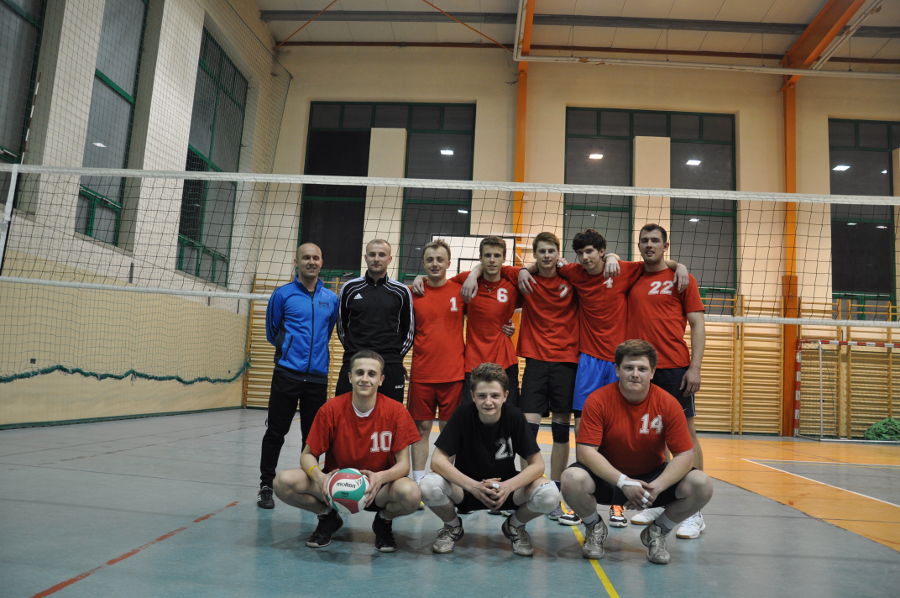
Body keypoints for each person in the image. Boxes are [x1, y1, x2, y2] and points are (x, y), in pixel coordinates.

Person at [518, 229, 686, 527]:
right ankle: (580, 501)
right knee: (585, 434)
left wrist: (679, 266)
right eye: (582, 253)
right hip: (587, 362)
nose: (586, 257)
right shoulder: (574, 272)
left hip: (616, 362)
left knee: (618, 433)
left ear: (602, 251)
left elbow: (655, 262)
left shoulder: (622, 269)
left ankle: (617, 504)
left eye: (592, 252)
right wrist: (523, 269)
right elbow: (547, 264)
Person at [560, 340, 713, 565]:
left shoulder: (668, 403)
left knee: (702, 484)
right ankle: (595, 527)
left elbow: (684, 455)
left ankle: (657, 532)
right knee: (571, 479)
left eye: (642, 369)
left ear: (652, 372)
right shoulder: (598, 400)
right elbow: (585, 452)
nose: (635, 374)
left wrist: (658, 486)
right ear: (617, 370)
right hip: (609, 478)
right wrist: (623, 482)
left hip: (651, 480)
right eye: (628, 368)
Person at [273, 350, 421, 552]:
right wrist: (320, 478)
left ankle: (383, 522)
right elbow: (307, 455)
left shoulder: (396, 411)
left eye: (371, 374)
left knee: (411, 493)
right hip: (336, 487)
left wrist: (380, 477)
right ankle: (328, 517)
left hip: (376, 489)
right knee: (283, 482)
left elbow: (404, 465)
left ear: (381, 380)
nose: (365, 379)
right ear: (350, 377)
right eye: (359, 373)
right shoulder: (331, 409)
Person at [419, 363, 560, 556]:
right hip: (467, 490)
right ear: (473, 396)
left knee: (550, 494)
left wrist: (508, 487)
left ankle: (515, 526)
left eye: (494, 395)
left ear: (505, 396)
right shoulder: (462, 415)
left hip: (506, 490)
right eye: (482, 396)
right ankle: (452, 526)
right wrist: (474, 486)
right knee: (428, 485)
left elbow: (537, 465)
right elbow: (438, 461)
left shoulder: (515, 417)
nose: (488, 402)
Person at [626, 223, 707, 539]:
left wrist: (695, 367)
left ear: (665, 244)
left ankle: (694, 509)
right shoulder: (632, 275)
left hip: (674, 367)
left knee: (685, 436)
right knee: (651, 438)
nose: (649, 245)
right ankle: (661, 501)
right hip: (641, 371)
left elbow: (698, 326)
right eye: (644, 241)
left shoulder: (682, 280)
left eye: (655, 241)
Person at [502, 233, 579, 524]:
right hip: (535, 361)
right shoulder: (526, 280)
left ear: (558, 253)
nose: (547, 256)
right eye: (542, 251)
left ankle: (556, 491)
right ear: (535, 255)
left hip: (566, 362)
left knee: (561, 431)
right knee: (527, 430)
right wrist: (524, 269)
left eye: (551, 251)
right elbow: (502, 271)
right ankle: (528, 485)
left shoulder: (572, 278)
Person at [257, 243, 338, 510]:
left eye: (315, 257)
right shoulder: (282, 295)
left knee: (312, 438)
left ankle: (312, 484)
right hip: (287, 374)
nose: (311, 262)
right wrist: (291, 351)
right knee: (276, 431)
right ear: (297, 261)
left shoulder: (331, 298)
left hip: (317, 377)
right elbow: (273, 333)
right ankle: (266, 485)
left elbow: (327, 332)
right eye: (306, 258)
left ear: (321, 261)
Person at [414, 236, 520, 406]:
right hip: (473, 363)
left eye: (497, 256)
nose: (492, 260)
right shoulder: (463, 282)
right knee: (470, 417)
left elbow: (531, 273)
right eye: (487, 256)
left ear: (504, 258)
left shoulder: (512, 285)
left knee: (509, 416)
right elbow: (438, 284)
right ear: (480, 258)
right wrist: (421, 278)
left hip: (505, 361)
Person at [408, 240, 466, 486]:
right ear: (423, 263)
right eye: (430, 260)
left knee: (448, 430)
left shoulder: (460, 291)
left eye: (439, 259)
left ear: (448, 263)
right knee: (421, 427)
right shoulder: (413, 293)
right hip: (422, 372)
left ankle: (445, 481)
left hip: (453, 374)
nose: (435, 264)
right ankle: (419, 479)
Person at [336, 239, 414, 402]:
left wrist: (395, 357)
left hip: (390, 364)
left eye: (381, 255)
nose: (376, 259)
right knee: (344, 415)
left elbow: (409, 331)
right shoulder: (349, 288)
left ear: (389, 259)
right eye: (372, 254)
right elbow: (342, 327)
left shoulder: (401, 291)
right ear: (365, 258)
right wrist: (355, 351)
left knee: (391, 417)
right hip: (354, 361)